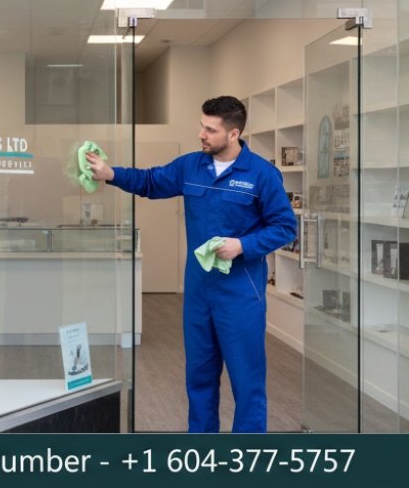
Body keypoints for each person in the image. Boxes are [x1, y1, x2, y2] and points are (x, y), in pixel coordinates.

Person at [84, 96, 296, 433]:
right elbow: (151, 181)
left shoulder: (262, 175)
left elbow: (285, 227)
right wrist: (110, 174)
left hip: (241, 294)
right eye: (202, 125)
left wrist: (243, 245)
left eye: (210, 129)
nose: (201, 134)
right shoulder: (191, 166)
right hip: (199, 292)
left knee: (247, 382)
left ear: (233, 133)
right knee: (199, 378)